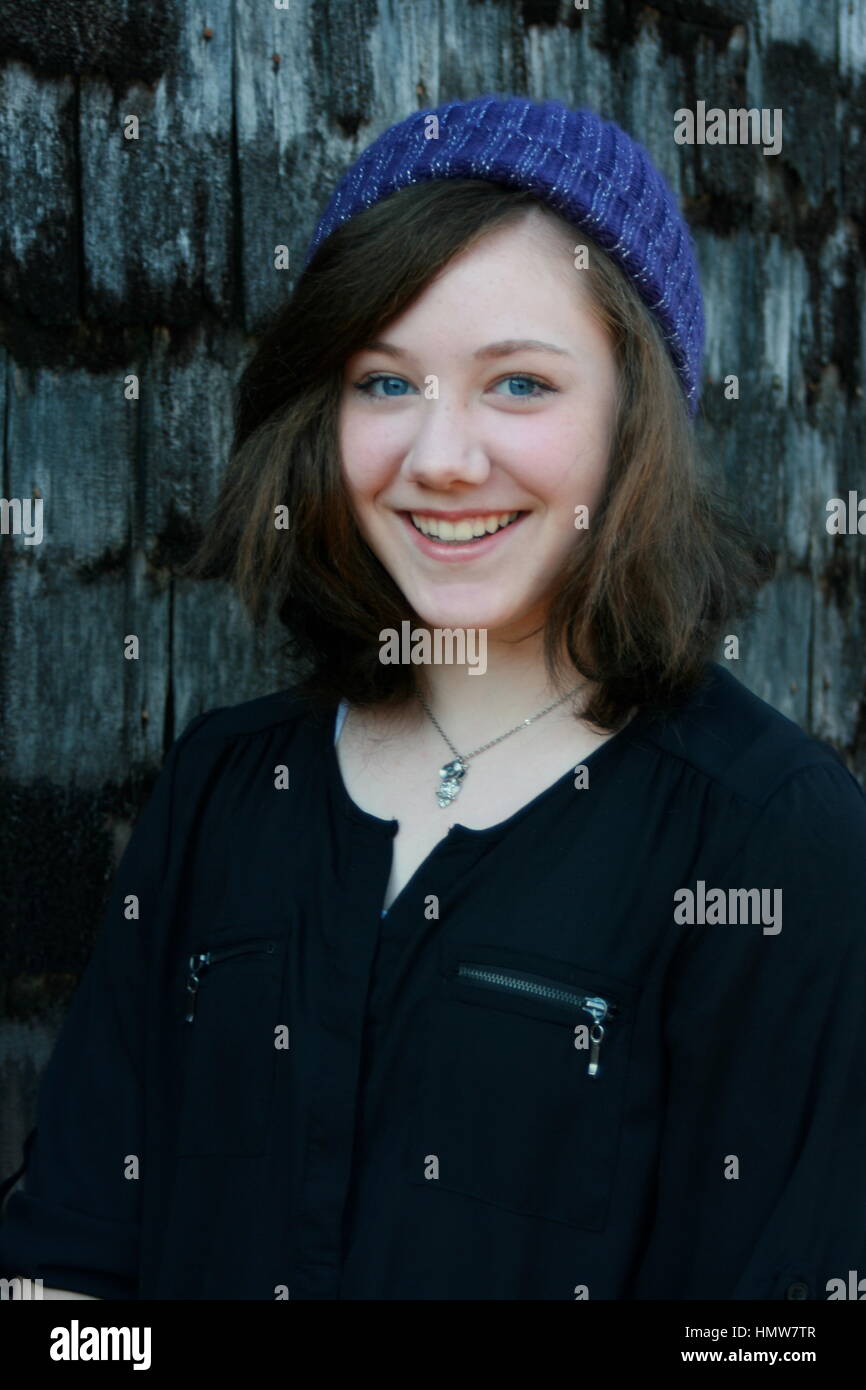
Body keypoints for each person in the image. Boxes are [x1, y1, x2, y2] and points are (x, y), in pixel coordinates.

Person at [1, 93, 865, 1301]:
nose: (441, 457)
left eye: (518, 385)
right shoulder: (223, 789)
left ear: (637, 419)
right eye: (385, 383)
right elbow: (66, 1264)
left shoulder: (769, 836)